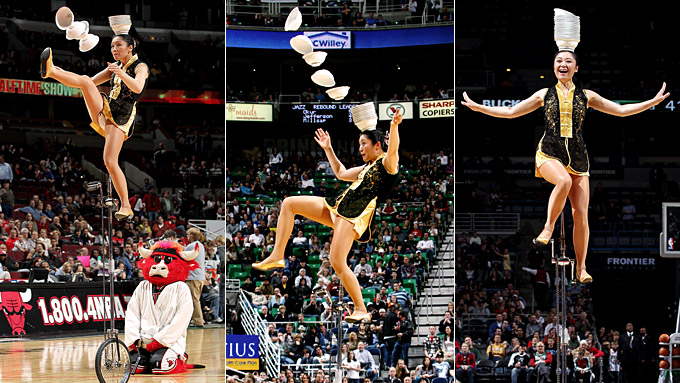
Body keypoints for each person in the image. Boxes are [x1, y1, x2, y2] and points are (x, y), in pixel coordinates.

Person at [462, 50, 669, 283]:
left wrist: (651, 102)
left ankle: (581, 268)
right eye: (559, 61)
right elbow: (511, 112)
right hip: (550, 151)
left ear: (576, 68)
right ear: (553, 67)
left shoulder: (587, 96)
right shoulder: (544, 94)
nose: (563, 64)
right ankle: (548, 228)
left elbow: (620, 110)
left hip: (579, 157)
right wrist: (480, 108)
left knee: (581, 214)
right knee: (563, 181)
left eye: (568, 61)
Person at [252, 107, 403, 323]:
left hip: (354, 214)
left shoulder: (387, 164)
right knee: (289, 203)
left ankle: (361, 309)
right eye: (359, 144)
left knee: (337, 261)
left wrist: (394, 126)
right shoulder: (365, 168)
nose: (360, 148)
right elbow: (341, 173)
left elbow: (394, 150)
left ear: (377, 145)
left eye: (364, 144)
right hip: (338, 205)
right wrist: (329, 148)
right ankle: (277, 255)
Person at [40, 33, 149, 221]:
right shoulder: (117, 67)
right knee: (84, 81)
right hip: (106, 110)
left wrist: (119, 72)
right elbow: (90, 81)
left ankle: (126, 205)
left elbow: (138, 87)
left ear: (130, 47)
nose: (114, 49)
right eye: (112, 46)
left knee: (109, 161)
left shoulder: (141, 67)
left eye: (118, 45)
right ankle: (52, 71)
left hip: (121, 119)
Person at [185, 228, 206, 326]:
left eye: (188, 234)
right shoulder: (200, 245)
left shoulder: (191, 246)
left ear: (191, 236)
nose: (187, 236)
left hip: (193, 277)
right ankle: (195, 319)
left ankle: (198, 320)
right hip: (200, 277)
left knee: (194, 299)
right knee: (195, 298)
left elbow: (183, 256)